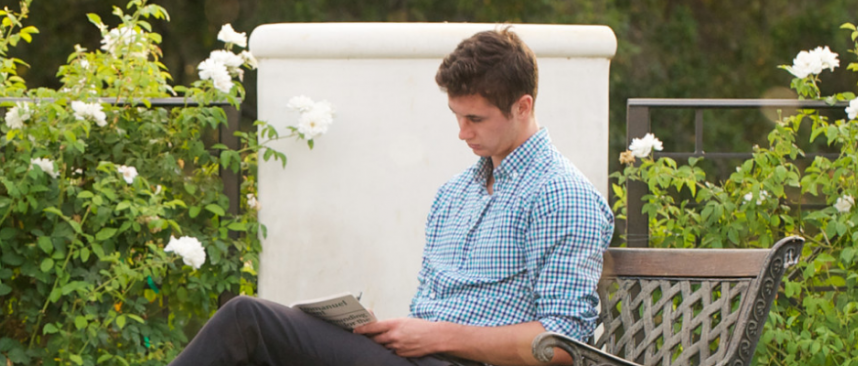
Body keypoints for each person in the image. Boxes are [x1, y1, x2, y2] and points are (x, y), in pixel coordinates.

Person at [167, 28, 614, 366]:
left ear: (523, 106)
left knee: (248, 321)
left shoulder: (562, 195)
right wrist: (388, 330)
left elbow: (561, 345)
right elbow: (431, 312)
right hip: (417, 358)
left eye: (475, 119)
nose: (462, 133)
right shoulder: (454, 194)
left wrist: (438, 336)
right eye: (456, 117)